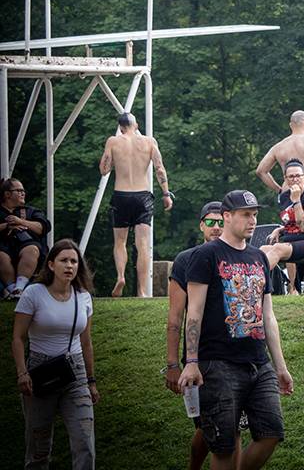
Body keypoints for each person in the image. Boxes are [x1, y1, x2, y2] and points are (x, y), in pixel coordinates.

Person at [178, 190, 293, 470]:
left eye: (254, 214)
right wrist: (191, 362)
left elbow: (268, 314)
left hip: (257, 361)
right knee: (224, 447)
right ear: (227, 216)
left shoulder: (259, 258)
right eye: (245, 214)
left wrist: (280, 366)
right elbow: (193, 312)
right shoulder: (206, 255)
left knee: (271, 434)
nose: (252, 220)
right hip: (217, 363)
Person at [166, 201, 243, 470]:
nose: (216, 227)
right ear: (201, 225)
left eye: (220, 221)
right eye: (210, 222)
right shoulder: (186, 259)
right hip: (201, 358)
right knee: (208, 425)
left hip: (237, 356)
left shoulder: (237, 255)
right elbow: (175, 318)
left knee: (233, 428)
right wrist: (174, 364)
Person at [12, 238, 99, 470]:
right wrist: (22, 373)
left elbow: (86, 341)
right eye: (63, 260)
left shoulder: (83, 296)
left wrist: (91, 381)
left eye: (74, 261)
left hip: (76, 371)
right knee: (39, 448)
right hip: (40, 371)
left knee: (85, 443)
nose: (69, 265)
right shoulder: (34, 294)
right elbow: (18, 338)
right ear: (51, 265)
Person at [99, 111, 173, 298]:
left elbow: (104, 169)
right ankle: (141, 290)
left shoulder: (113, 141)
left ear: (120, 127)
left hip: (121, 195)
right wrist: (166, 194)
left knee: (120, 243)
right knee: (143, 244)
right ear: (136, 125)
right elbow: (159, 168)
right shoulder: (149, 142)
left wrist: (115, 159)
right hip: (143, 197)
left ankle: (121, 277)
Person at [260, 160, 304, 294]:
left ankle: (255, 281)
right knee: (263, 250)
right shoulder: (284, 196)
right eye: (291, 176)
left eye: (298, 175)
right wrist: (280, 230)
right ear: (285, 179)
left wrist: (297, 200)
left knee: (278, 248)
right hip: (294, 241)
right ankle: (263, 288)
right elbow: (290, 222)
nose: (295, 179)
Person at [255, 110, 304, 200]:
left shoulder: (279, 146)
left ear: (291, 125)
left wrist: (279, 190)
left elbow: (260, 171)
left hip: (289, 193)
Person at [1, 177, 51, 300]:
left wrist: (21, 222)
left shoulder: (31, 211)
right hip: (3, 248)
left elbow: (42, 227)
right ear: (7, 194)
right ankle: (13, 289)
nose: (23, 193)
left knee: (32, 250)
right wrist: (7, 225)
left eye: (23, 190)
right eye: (19, 190)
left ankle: (19, 289)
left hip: (28, 248)